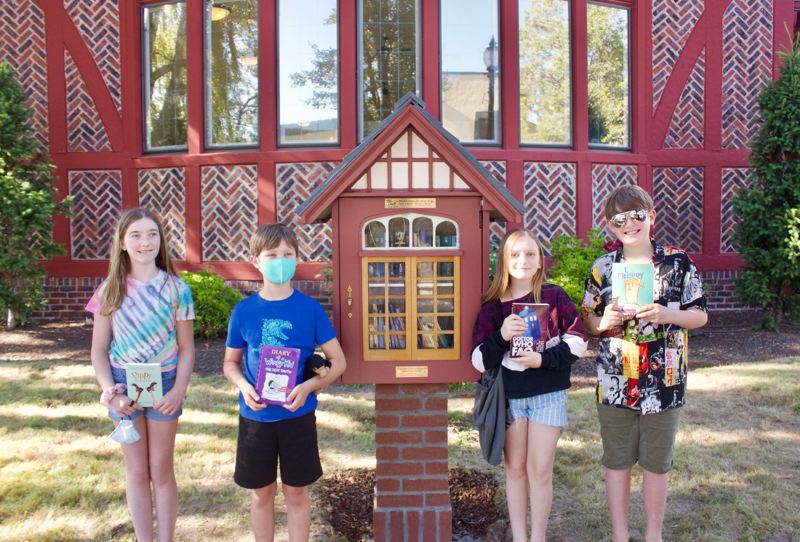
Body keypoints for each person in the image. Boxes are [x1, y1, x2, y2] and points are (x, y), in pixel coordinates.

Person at [581, 185, 707, 542]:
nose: (629, 224)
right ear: (610, 226)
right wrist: (601, 323)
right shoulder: (603, 268)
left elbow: (700, 316)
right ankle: (620, 535)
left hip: (665, 382)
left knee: (656, 464)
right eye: (619, 219)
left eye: (637, 215)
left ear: (651, 217)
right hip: (616, 381)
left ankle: (654, 535)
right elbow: (588, 321)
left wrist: (669, 313)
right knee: (617, 461)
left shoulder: (678, 262)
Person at [223, 223, 346, 542]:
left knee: (296, 494)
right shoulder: (244, 311)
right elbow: (230, 363)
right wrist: (243, 386)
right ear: (256, 261)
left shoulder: (309, 309)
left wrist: (309, 387)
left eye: (287, 254)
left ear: (296, 259)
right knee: (261, 495)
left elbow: (339, 362)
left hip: (298, 417)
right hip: (256, 418)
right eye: (272, 254)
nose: (280, 260)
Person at [471, 229, 587, 542]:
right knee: (516, 470)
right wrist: (502, 335)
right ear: (504, 262)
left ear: (539, 262)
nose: (523, 260)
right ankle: (520, 537)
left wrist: (542, 360)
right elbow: (479, 361)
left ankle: (538, 538)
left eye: (530, 254)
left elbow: (578, 342)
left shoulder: (554, 297)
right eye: (515, 254)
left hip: (548, 395)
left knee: (540, 470)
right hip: (509, 398)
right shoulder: (493, 308)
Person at [87, 207, 195, 542]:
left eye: (152, 234)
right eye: (135, 235)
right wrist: (112, 392)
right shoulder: (109, 291)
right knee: (136, 471)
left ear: (161, 241)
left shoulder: (177, 290)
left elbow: (187, 348)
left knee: (161, 469)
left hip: (164, 387)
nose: (144, 242)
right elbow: (98, 351)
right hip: (124, 389)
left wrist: (178, 390)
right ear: (122, 243)